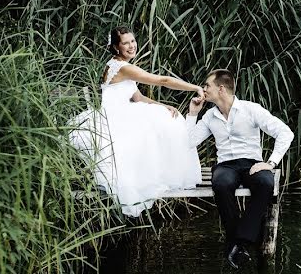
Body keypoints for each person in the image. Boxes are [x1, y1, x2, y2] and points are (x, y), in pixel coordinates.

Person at [70, 26, 204, 217]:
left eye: (133, 41)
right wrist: (195, 87)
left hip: (122, 112)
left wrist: (162, 105)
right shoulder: (123, 68)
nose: (132, 46)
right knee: (165, 124)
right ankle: (167, 174)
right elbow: (162, 80)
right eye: (126, 43)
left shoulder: (118, 64)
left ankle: (165, 171)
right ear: (116, 47)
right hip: (116, 117)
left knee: (166, 116)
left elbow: (138, 98)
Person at [186, 69, 294, 268]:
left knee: (265, 182)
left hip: (253, 162)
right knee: (221, 183)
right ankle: (241, 242)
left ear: (221, 89)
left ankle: (238, 243)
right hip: (226, 164)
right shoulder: (210, 116)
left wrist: (270, 163)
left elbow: (285, 133)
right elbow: (189, 141)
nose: (204, 89)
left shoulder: (251, 109)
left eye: (207, 85)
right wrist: (193, 114)